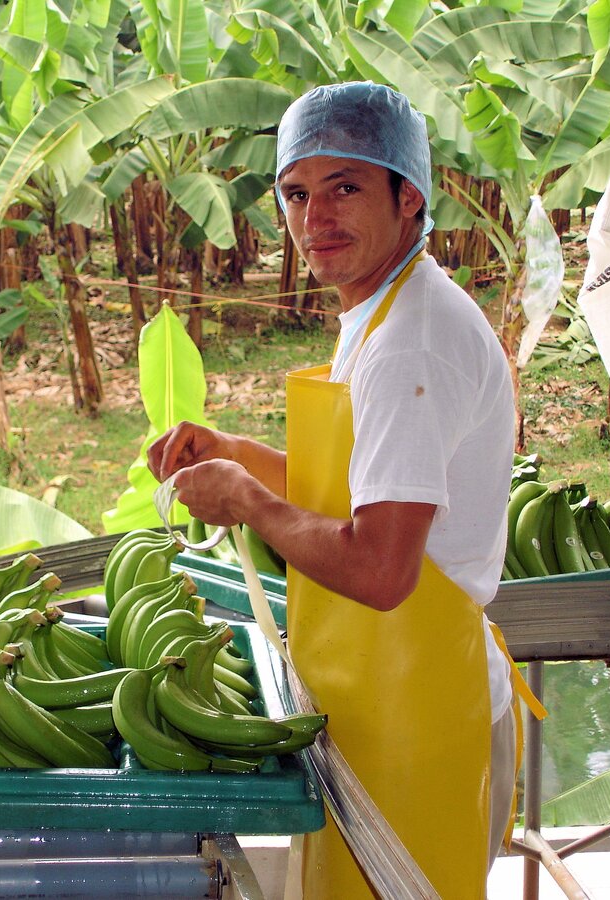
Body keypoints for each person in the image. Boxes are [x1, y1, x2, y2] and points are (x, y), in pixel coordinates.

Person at [148, 82, 531, 898]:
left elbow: (382, 569)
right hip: (383, 702)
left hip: (413, 720)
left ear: (410, 195)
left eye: (346, 187)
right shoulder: (388, 310)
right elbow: (370, 488)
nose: (315, 217)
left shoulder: (409, 346)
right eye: (296, 192)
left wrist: (248, 502)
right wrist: (240, 456)